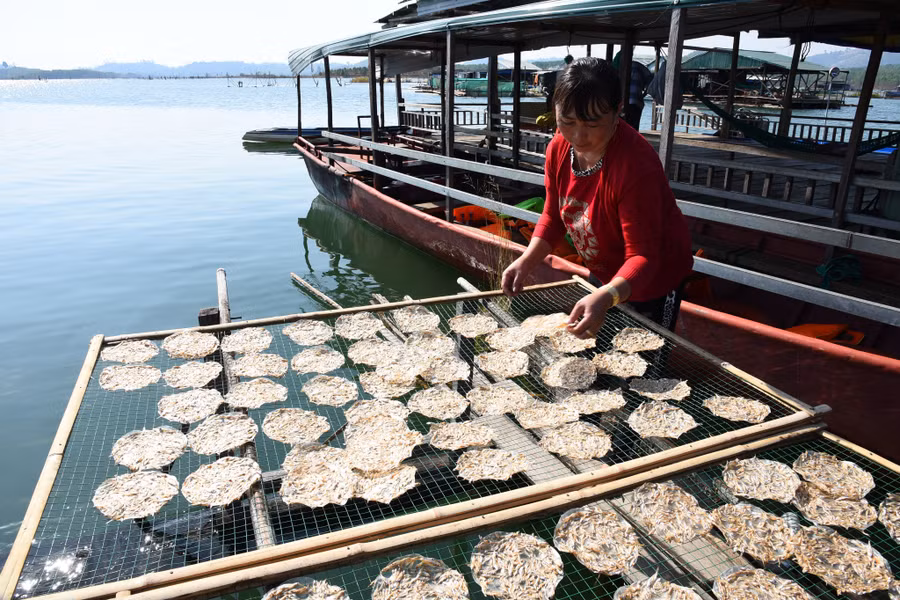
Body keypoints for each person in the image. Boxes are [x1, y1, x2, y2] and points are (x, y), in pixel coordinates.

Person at [501, 57, 693, 338]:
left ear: (617, 111)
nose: (578, 136)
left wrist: (608, 295)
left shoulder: (635, 166)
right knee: (595, 346)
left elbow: (644, 256)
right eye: (567, 121)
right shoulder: (558, 148)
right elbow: (554, 216)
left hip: (652, 278)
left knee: (642, 358)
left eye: (592, 124)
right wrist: (527, 260)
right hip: (603, 267)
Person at [612, 53, 654, 130]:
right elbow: (651, 81)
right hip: (636, 101)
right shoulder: (638, 66)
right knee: (634, 128)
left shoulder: (617, 68)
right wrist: (644, 94)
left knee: (622, 127)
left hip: (623, 102)